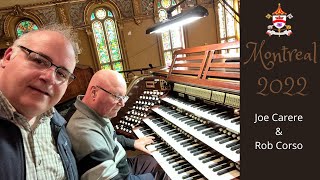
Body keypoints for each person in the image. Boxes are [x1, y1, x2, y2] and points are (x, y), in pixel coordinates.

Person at [0, 24, 78, 179]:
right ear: (8, 57)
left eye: (62, 74)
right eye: (39, 61)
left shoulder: (57, 123)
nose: (50, 78)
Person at [67, 70, 169, 180]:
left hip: (122, 164)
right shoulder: (85, 133)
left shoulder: (94, 112)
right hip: (120, 174)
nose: (122, 104)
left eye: (123, 97)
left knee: (163, 163)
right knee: (168, 175)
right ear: (94, 93)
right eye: (117, 97)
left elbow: (110, 138)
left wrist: (133, 143)